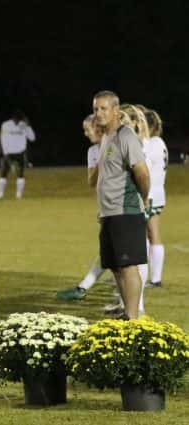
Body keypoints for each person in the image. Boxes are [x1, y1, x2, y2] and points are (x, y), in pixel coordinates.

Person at [91, 91, 150, 320]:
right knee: (114, 265)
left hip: (126, 211)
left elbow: (142, 172)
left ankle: (133, 318)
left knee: (128, 265)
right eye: (96, 109)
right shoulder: (106, 137)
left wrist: (142, 199)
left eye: (103, 108)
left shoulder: (126, 136)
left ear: (116, 111)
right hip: (108, 213)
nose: (98, 113)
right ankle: (127, 312)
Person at [56, 115, 108, 301]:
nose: (85, 133)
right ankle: (84, 287)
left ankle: (135, 305)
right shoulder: (93, 151)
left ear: (99, 127)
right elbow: (92, 182)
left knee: (121, 256)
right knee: (110, 252)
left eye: (88, 129)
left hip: (124, 208)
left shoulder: (119, 145)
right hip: (108, 208)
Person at [143, 109, 168, 288]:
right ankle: (151, 277)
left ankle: (151, 278)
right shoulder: (159, 142)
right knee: (152, 235)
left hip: (150, 195)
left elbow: (146, 169)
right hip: (158, 193)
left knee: (150, 235)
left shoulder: (151, 143)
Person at [0, 110, 36, 199]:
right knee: (4, 173)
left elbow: (32, 138)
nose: (17, 122)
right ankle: (0, 195)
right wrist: (5, 153)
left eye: (19, 120)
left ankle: (18, 196)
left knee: (20, 174)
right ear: (13, 118)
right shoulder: (5, 125)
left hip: (20, 153)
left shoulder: (24, 125)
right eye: (16, 120)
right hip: (9, 153)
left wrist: (28, 126)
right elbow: (2, 139)